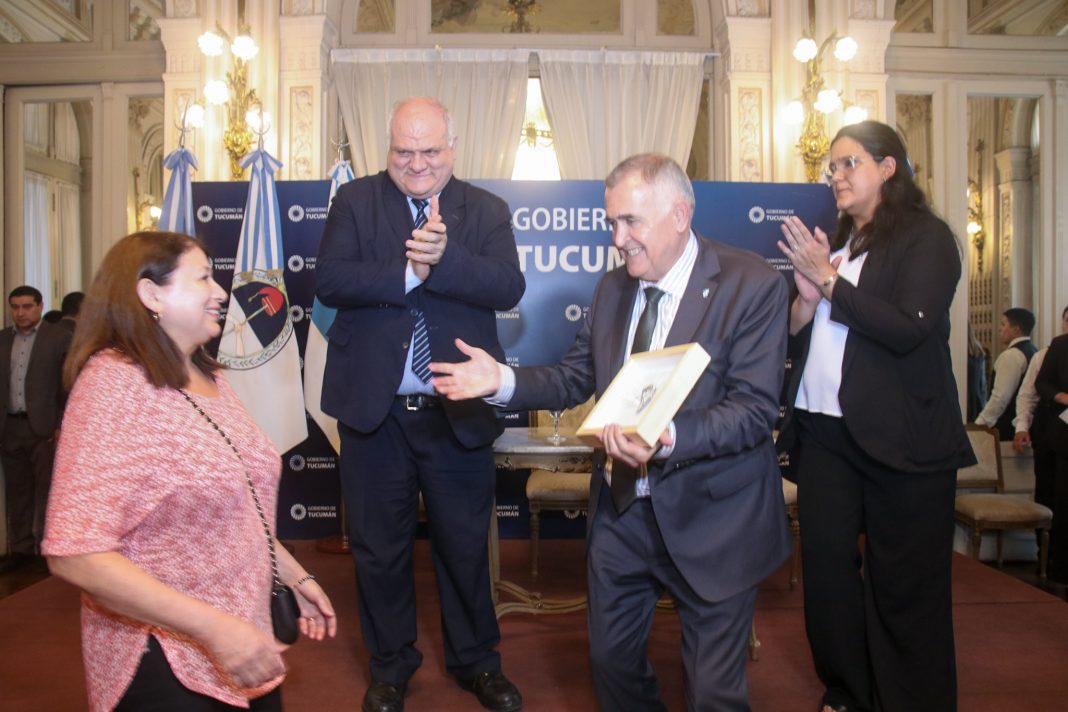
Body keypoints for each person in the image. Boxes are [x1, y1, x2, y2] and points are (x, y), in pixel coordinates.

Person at [432, 153, 791, 712]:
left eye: (631, 222)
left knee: (713, 692)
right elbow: (574, 377)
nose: (618, 239)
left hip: (714, 518)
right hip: (623, 514)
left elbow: (752, 409)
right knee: (612, 667)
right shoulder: (612, 290)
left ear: (680, 214)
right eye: (612, 223)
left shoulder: (751, 285)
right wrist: (501, 380)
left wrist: (668, 436)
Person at [42, 231, 337, 711]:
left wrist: (295, 576)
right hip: (164, 658)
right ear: (151, 294)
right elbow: (76, 554)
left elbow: (239, 505)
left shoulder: (212, 377)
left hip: (247, 641)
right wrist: (215, 629)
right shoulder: (113, 385)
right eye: (203, 278)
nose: (220, 292)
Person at [315, 97, 525, 712]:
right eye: (403, 151)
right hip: (374, 416)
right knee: (379, 551)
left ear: (452, 148)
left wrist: (443, 261)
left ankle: (477, 663)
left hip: (454, 415)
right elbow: (330, 280)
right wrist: (409, 273)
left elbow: (507, 285)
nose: (416, 163)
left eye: (429, 150)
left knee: (464, 548)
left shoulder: (485, 210)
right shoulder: (355, 202)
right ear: (387, 149)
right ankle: (390, 667)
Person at [775, 121, 975, 712]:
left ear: (888, 168)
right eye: (831, 167)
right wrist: (805, 301)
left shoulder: (927, 238)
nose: (836, 175)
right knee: (828, 574)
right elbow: (797, 336)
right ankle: (848, 692)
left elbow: (909, 328)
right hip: (825, 434)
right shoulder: (839, 247)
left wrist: (828, 280)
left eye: (849, 163)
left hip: (904, 440)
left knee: (904, 585)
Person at [0, 285, 71, 575]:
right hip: (9, 426)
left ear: (40, 306)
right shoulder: (3, 339)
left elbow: (67, 386)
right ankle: (20, 549)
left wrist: (61, 424)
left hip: (44, 427)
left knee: (46, 490)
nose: (20, 313)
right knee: (17, 491)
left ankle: (46, 549)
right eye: (15, 307)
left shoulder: (58, 338)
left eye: (27, 306)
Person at [1013, 306, 1068, 529]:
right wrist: (1021, 427)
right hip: (1051, 432)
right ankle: (1047, 545)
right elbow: (1028, 394)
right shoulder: (1049, 352)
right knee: (1050, 492)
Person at [1034, 313, 1068, 587]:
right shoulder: (1060, 346)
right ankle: (1061, 565)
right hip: (1063, 435)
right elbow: (1042, 383)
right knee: (1062, 500)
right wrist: (1062, 396)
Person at [975, 307, 1037, 439]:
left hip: (1007, 429)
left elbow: (1001, 397)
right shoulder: (1034, 351)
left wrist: (980, 424)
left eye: (1003, 324)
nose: (1000, 329)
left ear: (1016, 330)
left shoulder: (1012, 355)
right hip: (1027, 428)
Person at [966, 322, 988, 421]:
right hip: (976, 400)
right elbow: (982, 385)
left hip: (964, 400)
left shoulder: (957, 350)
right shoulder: (978, 350)